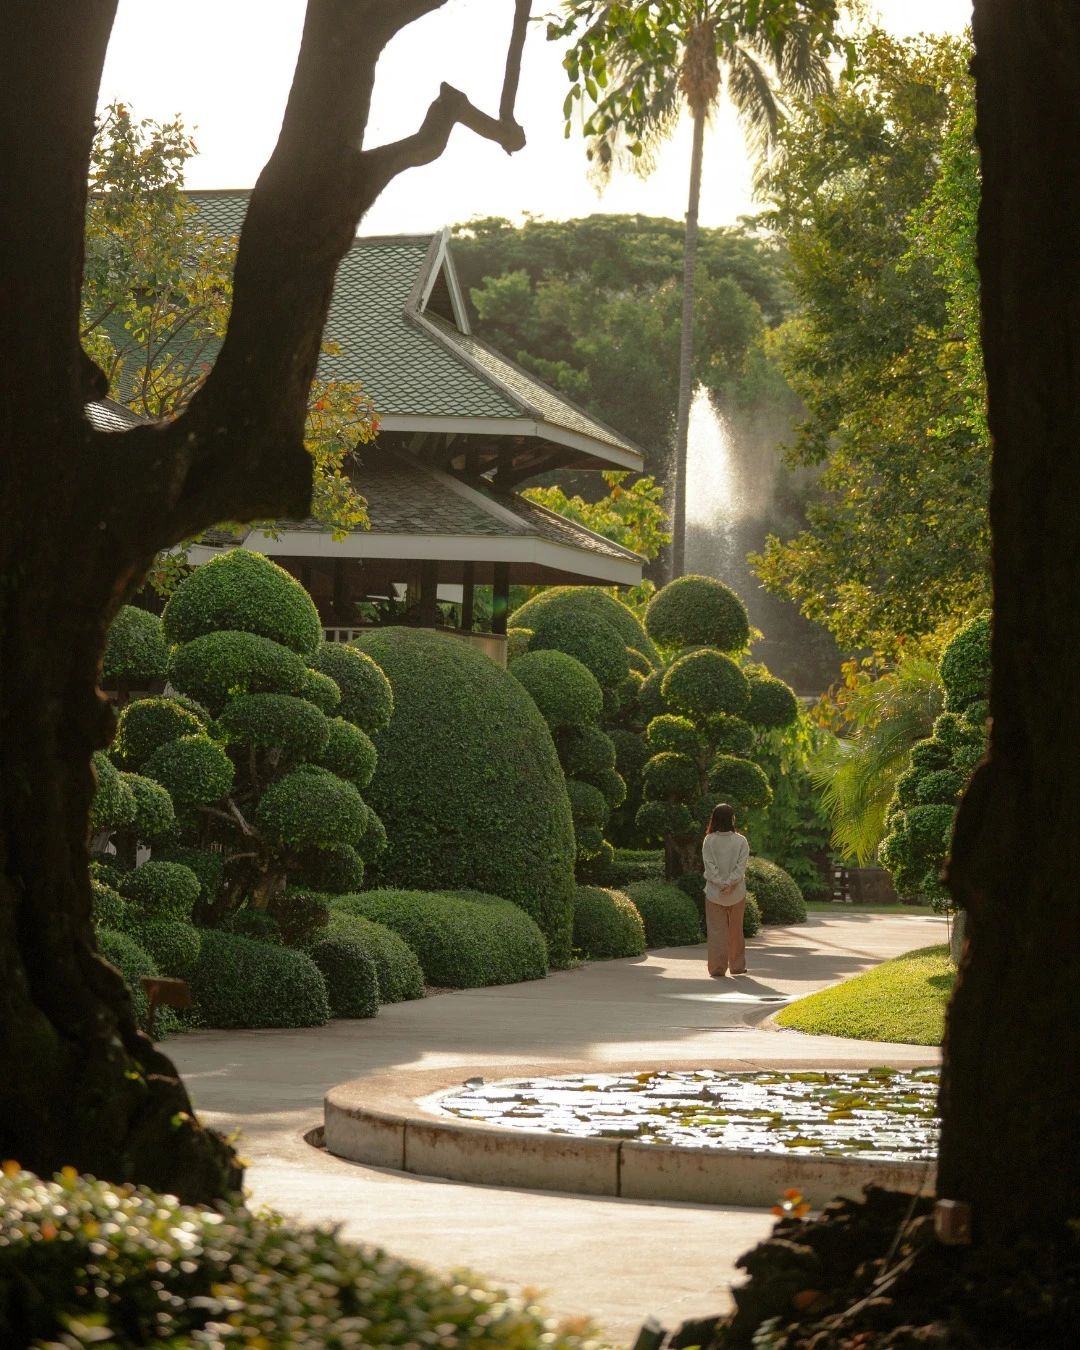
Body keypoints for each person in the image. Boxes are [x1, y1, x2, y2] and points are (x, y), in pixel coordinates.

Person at [701, 802, 749, 977]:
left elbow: (709, 865)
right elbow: (740, 867)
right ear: (732, 819)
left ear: (714, 819)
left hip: (714, 892)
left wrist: (720, 883)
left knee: (716, 932)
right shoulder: (741, 841)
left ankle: (716, 968)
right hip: (737, 892)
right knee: (736, 930)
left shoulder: (709, 840)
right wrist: (730, 883)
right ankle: (737, 966)